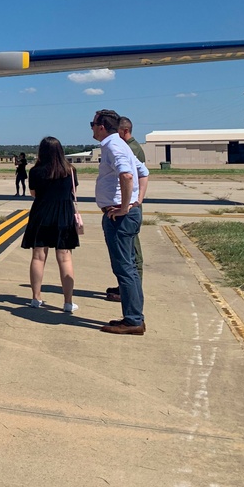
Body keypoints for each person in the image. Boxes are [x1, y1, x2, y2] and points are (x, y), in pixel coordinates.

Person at [91, 110, 149, 335]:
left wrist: (126, 207)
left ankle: (133, 320)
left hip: (120, 218)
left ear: (102, 126)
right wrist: (137, 200)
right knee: (130, 268)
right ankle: (134, 317)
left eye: (93, 124)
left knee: (124, 268)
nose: (92, 129)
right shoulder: (120, 144)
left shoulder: (113, 146)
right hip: (126, 213)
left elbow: (127, 175)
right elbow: (144, 173)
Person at [20, 137, 80, 312]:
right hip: (64, 214)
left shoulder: (35, 171)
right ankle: (68, 302)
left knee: (38, 256)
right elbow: (72, 190)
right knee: (65, 257)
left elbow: (33, 193)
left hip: (41, 213)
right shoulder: (70, 170)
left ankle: (36, 298)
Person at [105, 116, 147, 300]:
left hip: (127, 209)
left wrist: (130, 203)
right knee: (128, 254)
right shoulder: (128, 146)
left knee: (131, 255)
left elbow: (130, 175)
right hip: (129, 205)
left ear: (124, 131)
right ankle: (127, 289)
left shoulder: (129, 148)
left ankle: (130, 292)